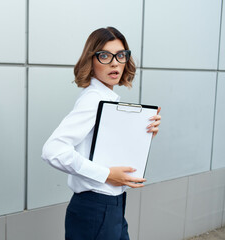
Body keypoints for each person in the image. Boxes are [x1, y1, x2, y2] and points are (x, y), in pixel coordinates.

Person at [41, 27, 161, 240]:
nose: (115, 63)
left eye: (120, 55)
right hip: (96, 208)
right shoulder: (93, 99)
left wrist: (143, 135)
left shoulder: (105, 99)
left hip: (111, 205)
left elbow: (105, 147)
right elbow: (53, 151)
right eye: (104, 55)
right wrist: (106, 174)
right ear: (91, 60)